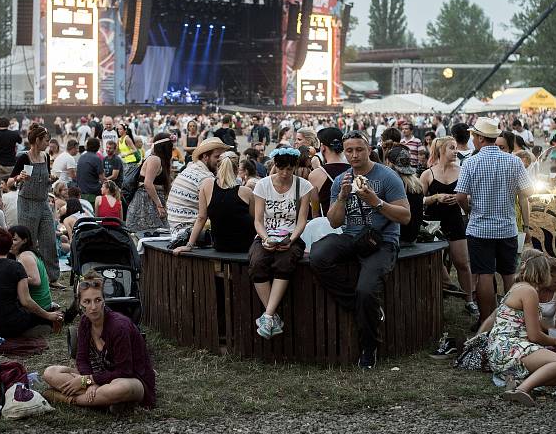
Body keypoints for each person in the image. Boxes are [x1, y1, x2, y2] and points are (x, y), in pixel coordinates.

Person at [309, 130, 410, 370]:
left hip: (382, 241)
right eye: (350, 150)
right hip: (351, 237)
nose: (354, 155)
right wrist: (343, 197)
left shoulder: (387, 177)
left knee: (366, 289)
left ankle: (369, 349)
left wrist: (376, 201)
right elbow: (333, 222)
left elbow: (405, 216)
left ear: (369, 149)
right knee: (318, 254)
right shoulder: (341, 179)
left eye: (359, 149)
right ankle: (362, 308)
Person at [455, 117, 533, 324]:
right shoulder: (514, 160)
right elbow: (528, 191)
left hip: (480, 228)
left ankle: (487, 320)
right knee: (509, 274)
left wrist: (468, 209)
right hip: (507, 227)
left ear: (480, 138)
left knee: (484, 276)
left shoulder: (470, 162)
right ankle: (512, 320)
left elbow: (460, 196)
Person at [42, 271, 156, 410]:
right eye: (87, 302)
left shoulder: (119, 326)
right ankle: (107, 401)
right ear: (80, 303)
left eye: (97, 300)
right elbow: (82, 359)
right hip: (99, 376)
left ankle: (69, 399)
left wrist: (87, 380)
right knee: (50, 372)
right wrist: (90, 383)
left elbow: (124, 371)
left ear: (104, 300)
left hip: (130, 380)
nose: (93, 307)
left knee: (119, 389)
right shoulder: (85, 321)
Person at [487, 249, 556, 406]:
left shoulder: (519, 286)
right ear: (543, 271)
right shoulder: (529, 291)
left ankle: (520, 381)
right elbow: (534, 336)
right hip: (509, 347)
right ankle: (522, 390)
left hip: (505, 348)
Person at [249, 147, 311, 339]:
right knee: (257, 262)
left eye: (289, 169)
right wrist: (266, 238)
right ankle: (272, 316)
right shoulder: (262, 185)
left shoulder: (304, 186)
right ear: (274, 165)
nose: (284, 173)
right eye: (281, 168)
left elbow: (302, 219)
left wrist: (291, 239)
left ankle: (267, 315)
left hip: (290, 237)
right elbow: (258, 219)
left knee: (284, 262)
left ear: (295, 168)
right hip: (265, 236)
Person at [420, 137, 476, 317]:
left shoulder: (462, 171)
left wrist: (461, 199)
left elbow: (472, 195)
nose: (456, 150)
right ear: (441, 150)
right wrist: (435, 198)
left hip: (454, 220)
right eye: (452, 148)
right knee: (435, 263)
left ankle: (469, 300)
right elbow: (419, 201)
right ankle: (438, 297)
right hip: (433, 223)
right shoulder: (428, 174)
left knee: (462, 262)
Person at [7, 123, 60, 285]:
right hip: (27, 203)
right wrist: (18, 178)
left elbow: (46, 176)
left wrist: (51, 179)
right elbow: (9, 182)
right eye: (46, 140)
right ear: (37, 140)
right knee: (27, 242)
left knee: (49, 239)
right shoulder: (24, 158)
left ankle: (52, 277)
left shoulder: (46, 157)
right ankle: (24, 275)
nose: (48, 144)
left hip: (43, 203)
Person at [174, 151, 255, 255]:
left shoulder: (207, 185)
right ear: (237, 169)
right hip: (245, 246)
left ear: (218, 167)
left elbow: (201, 218)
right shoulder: (246, 192)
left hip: (220, 245)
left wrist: (189, 245)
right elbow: (256, 221)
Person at [166, 137, 230, 241]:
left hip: (175, 228)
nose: (220, 162)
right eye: (217, 157)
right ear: (205, 156)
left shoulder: (190, 169)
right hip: (188, 232)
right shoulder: (206, 178)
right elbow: (216, 210)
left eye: (222, 158)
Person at [125, 133, 173, 232]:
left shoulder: (162, 161)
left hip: (153, 202)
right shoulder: (155, 159)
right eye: (170, 146)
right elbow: (148, 183)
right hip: (146, 202)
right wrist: (159, 205)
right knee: (148, 233)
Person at [9, 225, 53, 311]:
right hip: (40, 303)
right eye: (9, 238)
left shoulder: (25, 256)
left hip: (38, 306)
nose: (10, 242)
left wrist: (13, 277)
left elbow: (36, 281)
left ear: (24, 240)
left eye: (14, 239)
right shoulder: (22, 254)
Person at [308, 127, 350, 218]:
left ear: (323, 147)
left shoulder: (315, 175)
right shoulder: (354, 170)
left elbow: (315, 212)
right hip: (352, 226)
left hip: (328, 226)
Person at [385, 146, 423, 245]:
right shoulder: (416, 184)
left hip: (398, 238)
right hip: (413, 237)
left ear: (389, 163)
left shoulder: (395, 182)